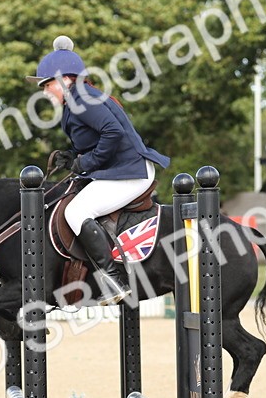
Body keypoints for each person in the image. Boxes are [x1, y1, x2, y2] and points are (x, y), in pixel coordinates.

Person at [25, 35, 170, 305]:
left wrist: (87, 163)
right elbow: (96, 138)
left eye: (47, 85)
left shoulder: (82, 98)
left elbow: (112, 133)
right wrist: (73, 158)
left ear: (64, 79)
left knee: (76, 211)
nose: (45, 92)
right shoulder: (78, 98)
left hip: (130, 173)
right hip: (119, 170)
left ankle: (114, 278)